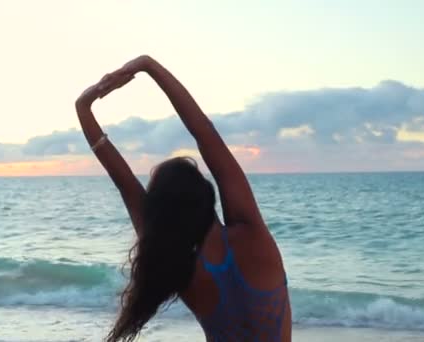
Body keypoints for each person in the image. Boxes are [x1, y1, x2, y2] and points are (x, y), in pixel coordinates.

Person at [75, 55, 291, 342]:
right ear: (206, 193)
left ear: (157, 213)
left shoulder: (177, 267)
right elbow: (204, 131)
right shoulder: (251, 236)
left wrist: (84, 106)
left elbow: (124, 182)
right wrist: (146, 66)